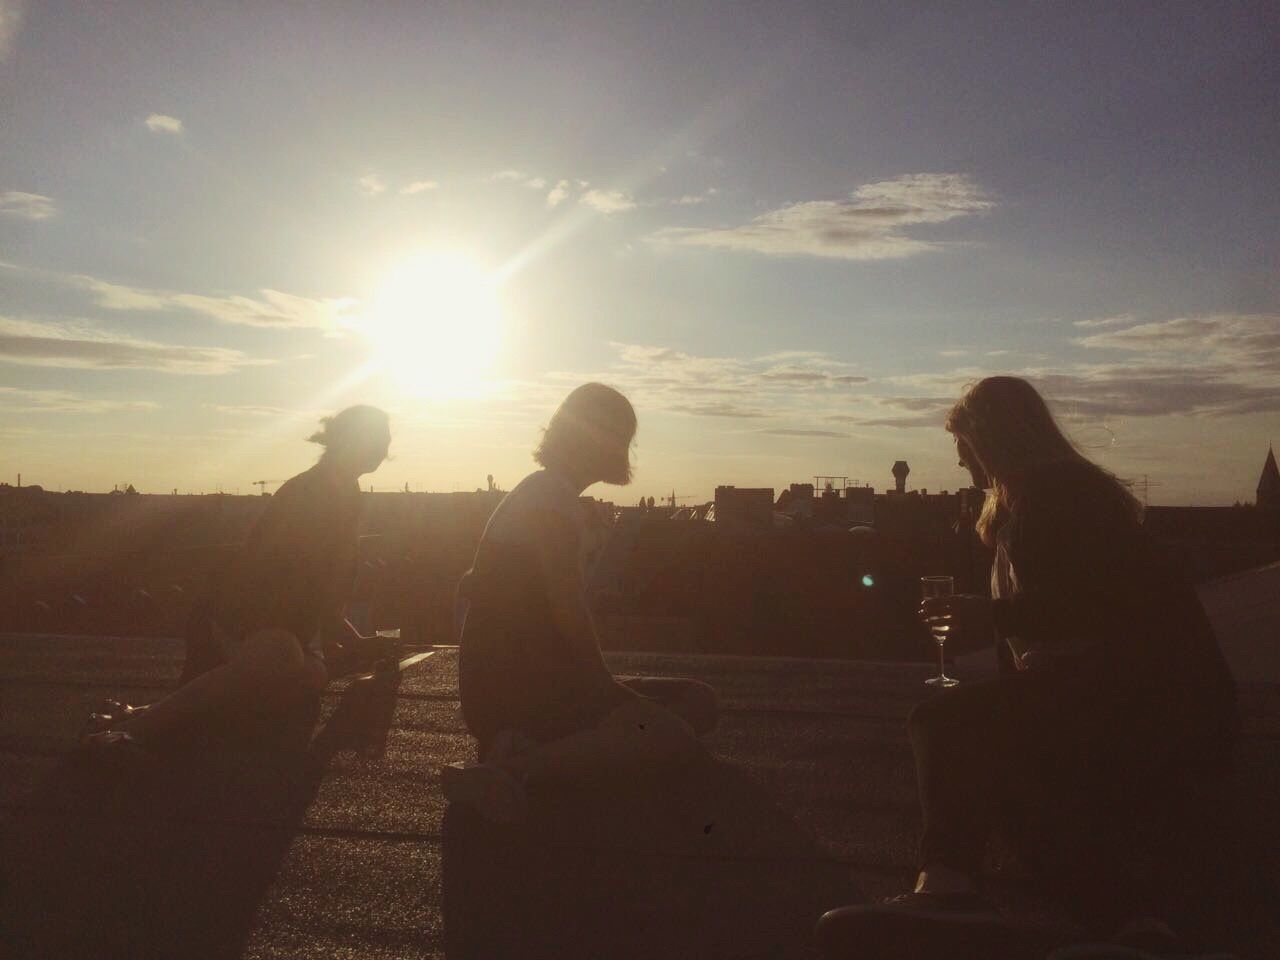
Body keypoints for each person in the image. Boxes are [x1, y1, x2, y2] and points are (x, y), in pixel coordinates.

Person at [816, 377, 1238, 959]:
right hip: (1153, 704)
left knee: (942, 723)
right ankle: (1134, 929)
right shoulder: (1054, 500)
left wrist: (987, 615)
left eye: (965, 443)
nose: (960, 458)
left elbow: (1092, 608)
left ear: (994, 440)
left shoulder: (1060, 500)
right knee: (1007, 770)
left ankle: (951, 892)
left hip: (1146, 703)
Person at [443, 383, 718, 822]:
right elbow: (565, 607)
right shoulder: (551, 499)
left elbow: (470, 589)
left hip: (522, 685)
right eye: (621, 436)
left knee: (696, 702)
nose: (625, 449)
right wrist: (603, 685)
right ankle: (511, 770)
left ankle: (530, 747)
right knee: (673, 737)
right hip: (523, 694)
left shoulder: (544, 493)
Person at [82, 405, 392, 752]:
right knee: (280, 657)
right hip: (242, 622)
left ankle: (141, 714)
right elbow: (273, 579)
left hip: (283, 632)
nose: (384, 448)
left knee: (310, 676)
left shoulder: (347, 496)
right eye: (378, 438)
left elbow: (323, 590)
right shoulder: (309, 494)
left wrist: (354, 641)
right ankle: (139, 731)